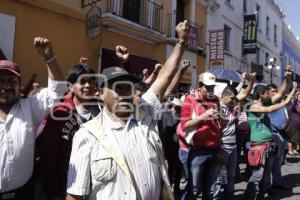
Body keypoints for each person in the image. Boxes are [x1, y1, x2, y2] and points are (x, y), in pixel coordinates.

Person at [65, 20, 190, 200]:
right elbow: (75, 195)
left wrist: (181, 41)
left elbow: (165, 76)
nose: (124, 94)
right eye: (117, 88)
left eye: (127, 88)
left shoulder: (144, 114)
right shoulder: (87, 135)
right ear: (100, 93)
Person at [0, 37, 67, 200]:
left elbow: (57, 90)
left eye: (11, 81)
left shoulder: (31, 107)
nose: (6, 86)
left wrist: (49, 57)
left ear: (19, 83)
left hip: (23, 194)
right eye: (1, 81)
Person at [36, 64, 100, 200]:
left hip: (96, 185)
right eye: (82, 81)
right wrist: (53, 193)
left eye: (91, 81)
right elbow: (48, 157)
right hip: (64, 187)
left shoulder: (103, 112)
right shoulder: (59, 113)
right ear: (70, 86)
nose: (88, 85)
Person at [244, 77, 297, 200]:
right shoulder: (251, 106)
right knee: (257, 175)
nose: (269, 94)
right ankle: (249, 197)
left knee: (266, 176)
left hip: (269, 145)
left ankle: (261, 196)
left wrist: (287, 79)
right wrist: (286, 101)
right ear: (261, 94)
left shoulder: (264, 102)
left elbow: (279, 93)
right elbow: (269, 109)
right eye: (267, 93)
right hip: (258, 146)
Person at [213, 73, 256, 200]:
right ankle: (214, 197)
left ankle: (229, 196)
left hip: (233, 146)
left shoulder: (231, 104)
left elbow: (244, 94)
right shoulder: (217, 106)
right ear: (224, 96)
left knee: (230, 175)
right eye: (232, 98)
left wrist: (251, 82)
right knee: (218, 177)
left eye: (234, 98)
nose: (234, 101)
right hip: (222, 147)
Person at [180, 71, 221, 200]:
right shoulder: (190, 100)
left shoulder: (215, 99)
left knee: (210, 188)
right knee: (194, 188)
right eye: (207, 87)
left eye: (212, 87)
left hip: (215, 149)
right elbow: (185, 126)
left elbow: (218, 124)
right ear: (199, 85)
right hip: (198, 151)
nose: (210, 90)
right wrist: (204, 116)